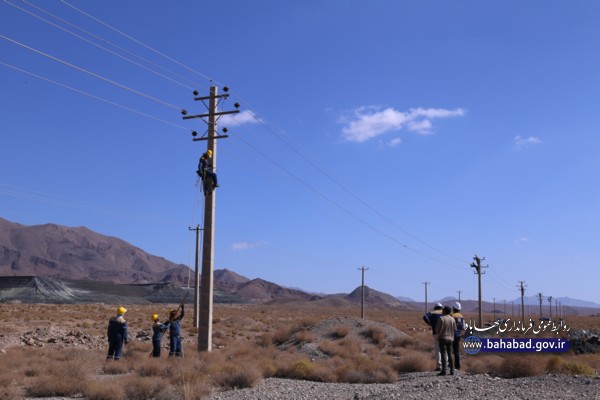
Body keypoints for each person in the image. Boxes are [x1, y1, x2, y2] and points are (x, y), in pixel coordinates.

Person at [435, 305, 457, 376]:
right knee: (450, 354)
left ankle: (444, 371)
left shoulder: (441, 318)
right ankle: (452, 370)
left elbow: (437, 329)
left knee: (443, 353)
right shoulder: (452, 319)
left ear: (444, 311)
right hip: (451, 339)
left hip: (442, 338)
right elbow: (455, 329)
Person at [423, 302, 444, 371]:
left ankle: (438, 365)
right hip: (444, 333)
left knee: (437, 349)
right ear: (441, 307)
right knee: (444, 348)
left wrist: (430, 323)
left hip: (436, 332)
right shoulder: (444, 313)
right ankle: (445, 364)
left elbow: (425, 317)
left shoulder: (432, 313)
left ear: (435, 307)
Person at [451, 302, 465, 370]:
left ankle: (450, 365)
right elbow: (464, 326)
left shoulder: (451, 315)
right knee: (456, 351)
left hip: (451, 335)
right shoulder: (461, 316)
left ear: (453, 308)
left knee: (450, 350)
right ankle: (457, 366)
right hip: (458, 335)